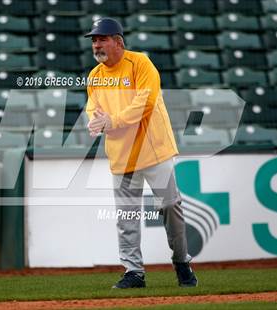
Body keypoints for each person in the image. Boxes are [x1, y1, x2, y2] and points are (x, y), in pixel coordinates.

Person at [84, 18, 198, 289]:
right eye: (94, 40)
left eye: (102, 39)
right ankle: (133, 272)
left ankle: (181, 262)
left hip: (154, 148)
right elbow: (93, 107)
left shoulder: (140, 63)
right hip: (122, 154)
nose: (96, 44)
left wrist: (114, 121)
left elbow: (145, 102)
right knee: (127, 216)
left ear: (118, 42)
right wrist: (94, 121)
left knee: (171, 206)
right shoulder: (94, 76)